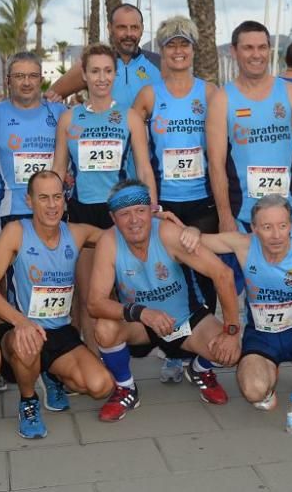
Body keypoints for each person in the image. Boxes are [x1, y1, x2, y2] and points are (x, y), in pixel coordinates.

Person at [179, 194, 292, 427]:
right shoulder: (243, 244)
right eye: (267, 227)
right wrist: (192, 231)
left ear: (291, 225)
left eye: (282, 226)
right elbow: (201, 240)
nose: (276, 235)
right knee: (254, 392)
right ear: (254, 228)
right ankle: (267, 381)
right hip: (261, 338)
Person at [88, 180, 243, 421]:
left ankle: (199, 369)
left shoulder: (168, 233)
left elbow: (223, 274)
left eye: (140, 211)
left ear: (151, 211)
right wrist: (142, 313)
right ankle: (125, 388)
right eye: (124, 214)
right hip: (141, 325)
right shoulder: (108, 242)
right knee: (104, 328)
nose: (134, 220)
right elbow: (95, 303)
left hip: (185, 321)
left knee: (230, 352)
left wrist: (232, 331)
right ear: (113, 217)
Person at [0, 170, 115, 438]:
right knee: (28, 344)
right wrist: (20, 322)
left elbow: (122, 235)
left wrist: (156, 219)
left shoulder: (77, 233)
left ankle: (51, 375)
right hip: (20, 331)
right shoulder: (15, 232)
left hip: (60, 332)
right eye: (43, 198)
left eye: (57, 197)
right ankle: (28, 401)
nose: (52, 205)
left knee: (101, 386)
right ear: (29, 201)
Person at [132, 16, 219, 383]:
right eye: (171, 45)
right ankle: (174, 349)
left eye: (184, 44)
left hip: (203, 202)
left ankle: (205, 354)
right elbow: (139, 154)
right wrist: (151, 204)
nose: (179, 51)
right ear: (162, 52)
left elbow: (220, 153)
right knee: (170, 278)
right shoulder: (150, 95)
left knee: (205, 274)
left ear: (193, 49)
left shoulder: (211, 93)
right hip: (166, 201)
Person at [206, 20, 292, 256]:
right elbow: (216, 164)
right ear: (234, 51)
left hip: (288, 213)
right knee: (244, 289)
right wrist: (225, 216)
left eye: (262, 47)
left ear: (269, 50)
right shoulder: (222, 99)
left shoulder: (290, 93)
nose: (256, 54)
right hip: (242, 214)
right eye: (248, 48)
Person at [53, 44, 158, 226]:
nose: (102, 78)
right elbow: (58, 170)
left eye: (108, 71)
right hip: (81, 208)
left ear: (115, 74)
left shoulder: (131, 117)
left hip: (121, 208)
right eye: (95, 71)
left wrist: (154, 210)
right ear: (84, 75)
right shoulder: (68, 118)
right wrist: (51, 206)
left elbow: (144, 169)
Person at [0, 52, 65, 230]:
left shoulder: (60, 112)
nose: (26, 82)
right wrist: (1, 188)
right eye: (19, 76)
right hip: (11, 210)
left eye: (32, 76)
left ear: (41, 80)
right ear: (8, 80)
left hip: (52, 210)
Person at [46, 3, 160, 107]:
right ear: (110, 28)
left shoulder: (159, 63)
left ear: (142, 29)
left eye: (134, 27)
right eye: (122, 27)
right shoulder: (91, 64)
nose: (129, 34)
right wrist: (73, 119)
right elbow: (49, 98)